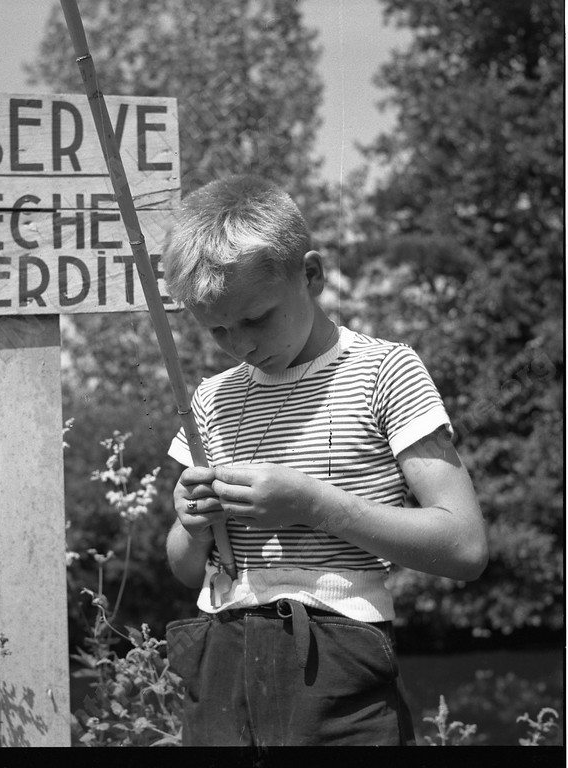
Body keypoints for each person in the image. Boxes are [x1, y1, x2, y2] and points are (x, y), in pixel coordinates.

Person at [161, 174, 488, 747]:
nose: (241, 345)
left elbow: (464, 546)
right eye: (217, 330)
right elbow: (187, 569)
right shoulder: (212, 399)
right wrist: (192, 524)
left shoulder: (385, 372)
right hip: (219, 659)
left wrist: (313, 505)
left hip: (337, 659)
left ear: (310, 275)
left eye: (256, 318)